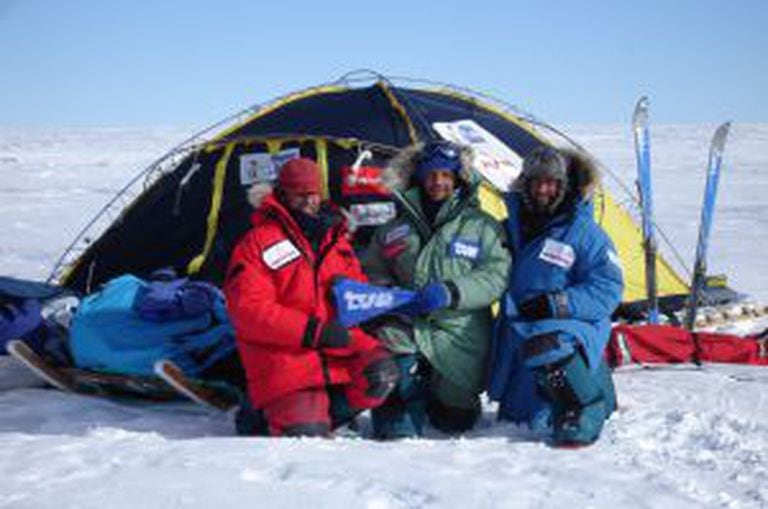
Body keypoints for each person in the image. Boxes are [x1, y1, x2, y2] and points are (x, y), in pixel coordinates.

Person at [224, 158, 399, 437]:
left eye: (313, 193)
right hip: (286, 358)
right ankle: (260, 415)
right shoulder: (258, 242)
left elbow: (358, 292)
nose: (308, 201)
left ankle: (330, 414)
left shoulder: (335, 239)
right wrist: (312, 331)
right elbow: (248, 310)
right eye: (299, 194)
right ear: (283, 194)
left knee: (382, 373)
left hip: (336, 345)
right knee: (307, 434)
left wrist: (377, 301)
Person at [362, 140, 510, 438]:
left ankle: (442, 397)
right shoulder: (393, 229)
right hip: (405, 323)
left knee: (455, 421)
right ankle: (399, 409)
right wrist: (388, 295)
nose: (438, 182)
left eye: (446, 175)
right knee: (394, 424)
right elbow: (372, 270)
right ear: (419, 177)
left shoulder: (483, 226)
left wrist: (451, 292)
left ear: (458, 179)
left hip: (460, 331)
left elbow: (497, 274)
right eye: (431, 174)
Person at [487, 146, 624, 447]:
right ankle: (594, 387)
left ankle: (585, 408)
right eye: (536, 182)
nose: (542, 190)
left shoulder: (584, 232)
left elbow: (608, 288)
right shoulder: (511, 227)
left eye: (550, 183)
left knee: (547, 344)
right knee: (520, 415)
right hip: (521, 327)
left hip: (572, 323)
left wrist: (557, 303)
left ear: (564, 186)